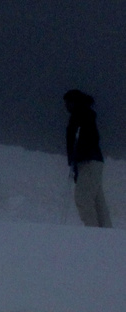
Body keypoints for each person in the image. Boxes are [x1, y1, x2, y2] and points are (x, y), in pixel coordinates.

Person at [64, 89, 112, 228]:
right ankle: (107, 233)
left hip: (88, 161)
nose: (66, 106)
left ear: (74, 102)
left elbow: (86, 139)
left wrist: (78, 156)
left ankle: (94, 233)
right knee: (96, 199)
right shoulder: (84, 115)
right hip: (91, 161)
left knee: (83, 199)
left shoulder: (80, 115)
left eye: (68, 102)